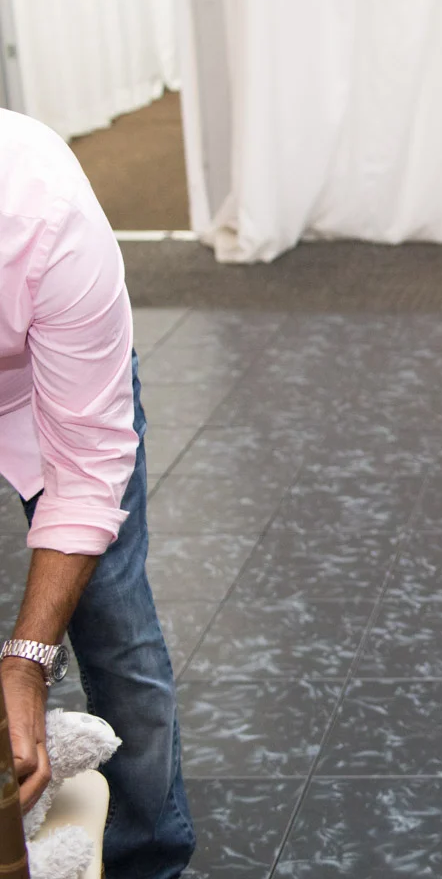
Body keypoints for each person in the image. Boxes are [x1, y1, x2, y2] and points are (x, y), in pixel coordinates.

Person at [1, 109, 193, 876]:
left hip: (49, 393)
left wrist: (25, 661)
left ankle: (148, 850)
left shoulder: (43, 213)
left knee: (114, 620)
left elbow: (86, 473)